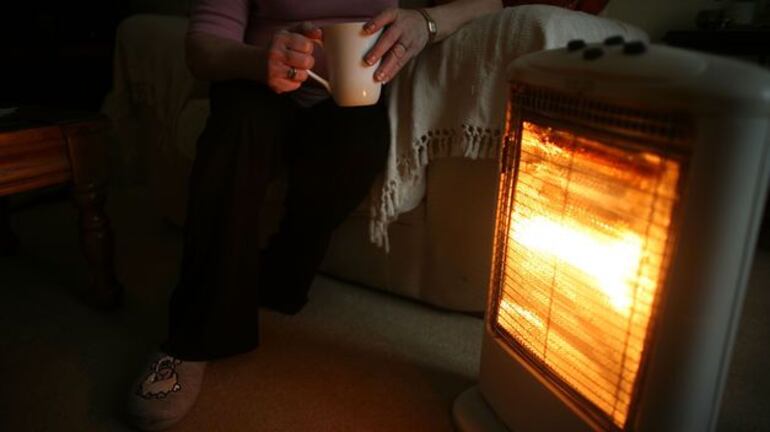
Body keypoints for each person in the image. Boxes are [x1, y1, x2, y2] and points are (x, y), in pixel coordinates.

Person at [126, 0, 502, 430]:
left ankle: (280, 271)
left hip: (348, 90)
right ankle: (191, 338)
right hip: (255, 81)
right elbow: (203, 47)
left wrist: (427, 22)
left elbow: (487, 2)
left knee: (360, 142)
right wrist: (259, 60)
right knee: (240, 126)